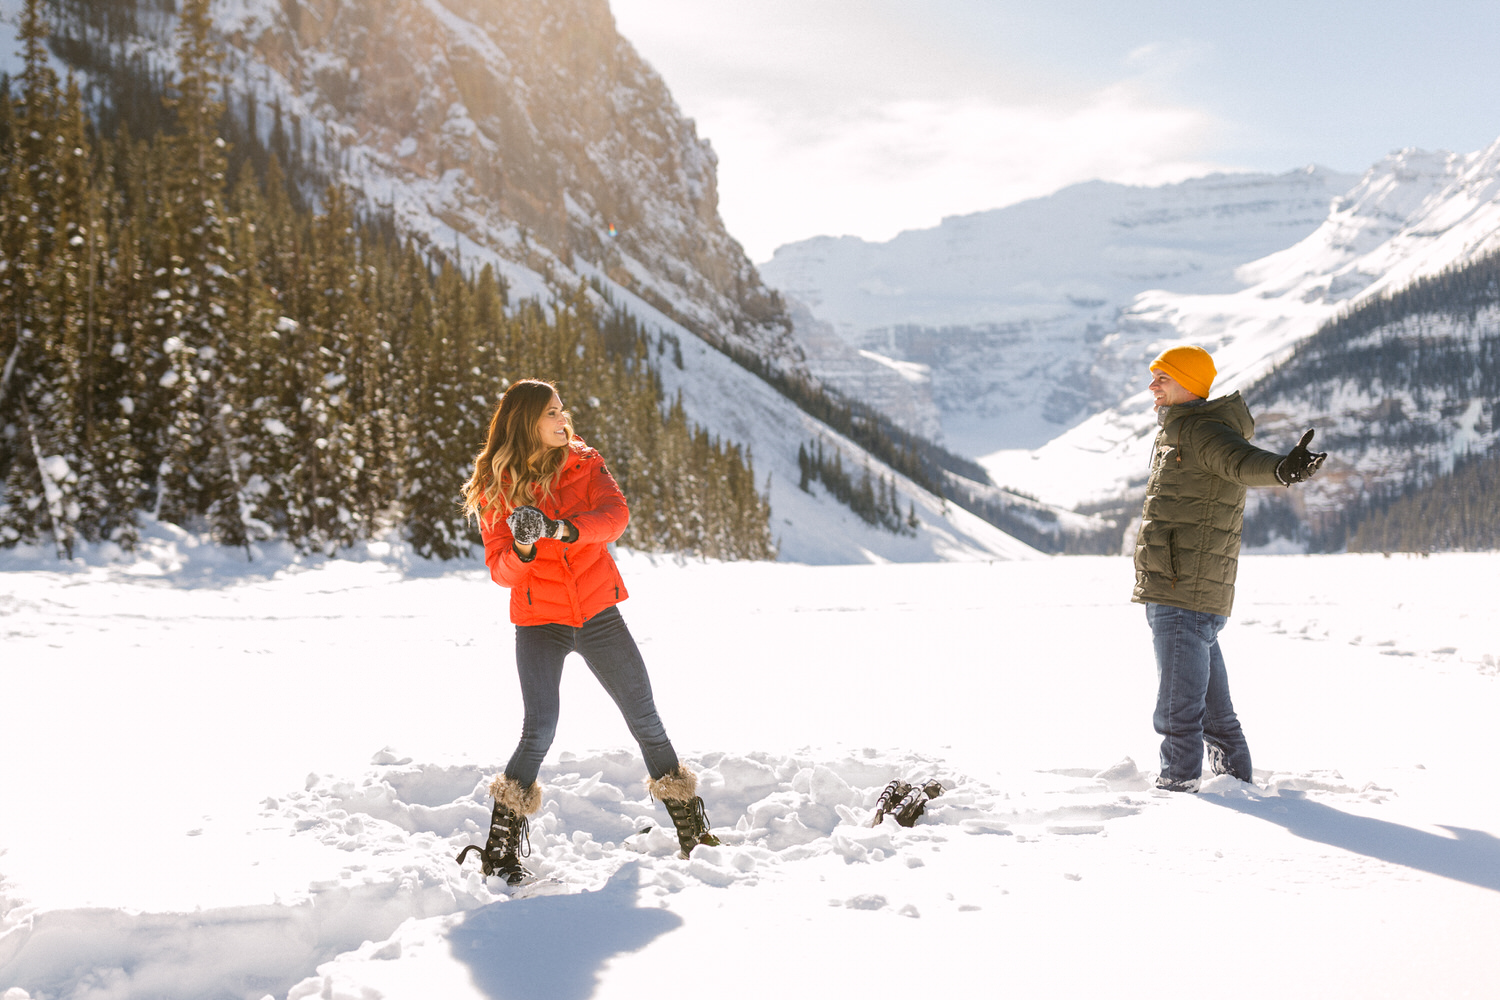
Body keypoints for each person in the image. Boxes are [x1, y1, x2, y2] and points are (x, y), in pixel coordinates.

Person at [454, 378, 719, 884]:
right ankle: (500, 850)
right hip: (539, 623)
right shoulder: (496, 485)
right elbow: (501, 571)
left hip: (598, 615)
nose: (563, 420)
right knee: (540, 730)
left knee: (645, 718)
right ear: (526, 421)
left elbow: (615, 517)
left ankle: (694, 834)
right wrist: (526, 548)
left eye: (563, 410)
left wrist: (561, 529)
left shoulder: (584, 462)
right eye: (552, 413)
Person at [1132, 345, 1327, 793]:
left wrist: (1281, 469)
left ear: (1189, 382)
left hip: (1185, 590)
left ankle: (1178, 786)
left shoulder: (1202, 431)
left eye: (1162, 377)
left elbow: (1241, 461)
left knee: (1177, 712)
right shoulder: (1182, 429)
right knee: (1215, 717)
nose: (1152, 386)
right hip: (1183, 589)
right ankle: (1237, 786)